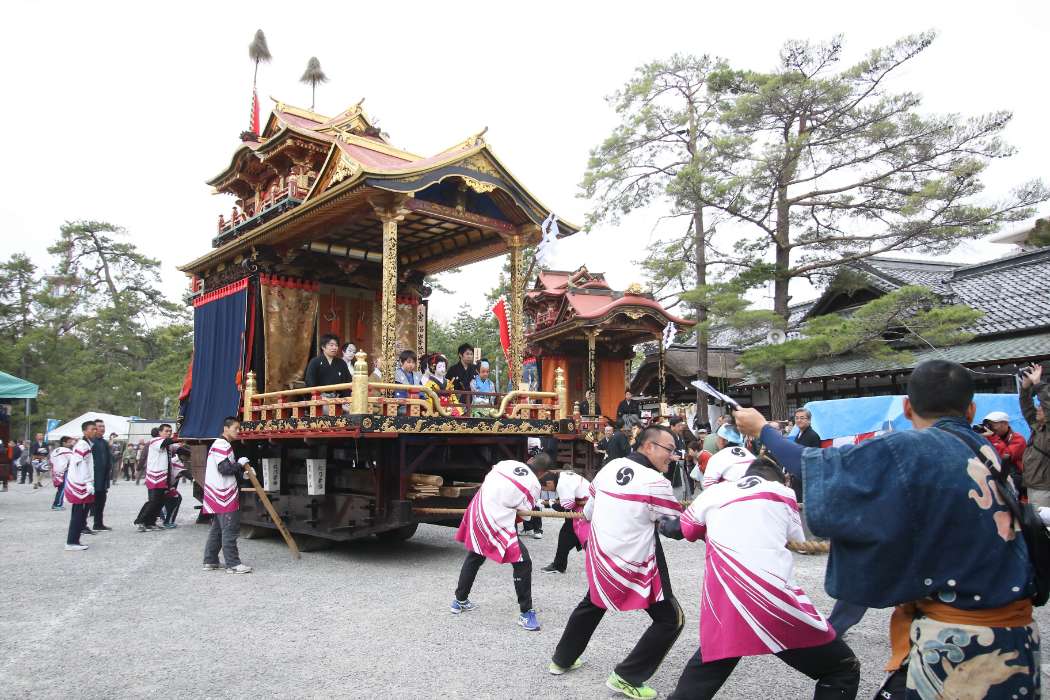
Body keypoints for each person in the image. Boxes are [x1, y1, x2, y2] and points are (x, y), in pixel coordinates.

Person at [733, 359, 1038, 697]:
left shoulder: (911, 447)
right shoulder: (983, 449)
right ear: (971, 410)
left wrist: (763, 430)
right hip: (1017, 634)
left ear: (907, 408)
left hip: (961, 642)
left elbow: (814, 466)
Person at [661, 456, 859, 699]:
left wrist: (664, 522)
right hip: (774, 601)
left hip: (727, 602)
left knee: (707, 671)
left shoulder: (714, 493)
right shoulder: (782, 492)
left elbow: (681, 530)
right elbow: (797, 541)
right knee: (841, 668)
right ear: (781, 478)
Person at [548, 426, 684, 699]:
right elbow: (674, 525)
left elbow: (587, 511)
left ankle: (562, 659)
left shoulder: (609, 468)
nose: (673, 456)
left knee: (594, 603)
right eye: (670, 450)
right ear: (649, 447)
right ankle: (627, 676)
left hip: (602, 556)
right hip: (637, 560)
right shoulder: (657, 483)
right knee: (671, 620)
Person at [451, 459, 542, 631]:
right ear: (543, 472)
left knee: (475, 554)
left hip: (478, 508)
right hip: (496, 518)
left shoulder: (506, 463)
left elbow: (489, 479)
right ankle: (526, 612)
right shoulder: (534, 484)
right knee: (523, 561)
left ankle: (459, 601)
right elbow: (525, 515)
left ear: (529, 460)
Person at [202, 417, 253, 573]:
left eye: (239, 429)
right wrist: (239, 464)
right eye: (235, 428)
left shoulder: (220, 445)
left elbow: (226, 470)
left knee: (217, 529)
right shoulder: (222, 445)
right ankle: (233, 564)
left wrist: (241, 474)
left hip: (216, 492)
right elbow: (224, 469)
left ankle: (210, 561)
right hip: (224, 494)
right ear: (226, 428)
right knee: (230, 529)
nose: (238, 431)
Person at [541, 468, 591, 574]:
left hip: (587, 507)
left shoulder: (562, 484)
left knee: (586, 538)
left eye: (545, 488)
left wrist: (550, 503)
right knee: (566, 535)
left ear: (549, 482)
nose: (547, 491)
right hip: (583, 504)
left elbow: (567, 506)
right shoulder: (562, 476)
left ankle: (559, 565)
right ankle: (559, 565)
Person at [135, 424, 179, 532]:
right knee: (153, 501)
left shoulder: (167, 445)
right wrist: (178, 436)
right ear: (159, 432)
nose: (168, 433)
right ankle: (140, 521)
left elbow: (177, 448)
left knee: (160, 501)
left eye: (170, 431)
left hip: (163, 477)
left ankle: (151, 522)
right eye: (166, 431)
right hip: (154, 477)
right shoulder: (155, 441)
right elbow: (167, 442)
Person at [64, 421, 97, 551]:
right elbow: (82, 464)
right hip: (80, 485)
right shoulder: (83, 445)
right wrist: (88, 482)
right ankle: (72, 541)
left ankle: (74, 539)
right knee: (79, 514)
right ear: (85, 431)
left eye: (95, 429)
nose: (95, 431)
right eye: (92, 429)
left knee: (80, 514)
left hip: (81, 483)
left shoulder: (85, 444)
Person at [1020, 364, 1050, 506]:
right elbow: (1027, 407)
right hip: (1034, 485)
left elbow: (1047, 405)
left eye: (1041, 407)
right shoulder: (1038, 428)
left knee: (1043, 526)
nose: (1038, 409)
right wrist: (1025, 387)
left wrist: (1038, 383)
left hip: (1044, 488)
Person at [699, 423, 754, 489]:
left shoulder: (718, 458)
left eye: (717, 438)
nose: (716, 441)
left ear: (722, 440)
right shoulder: (749, 455)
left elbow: (707, 486)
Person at [982, 410, 1026, 487]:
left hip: (1014, 478)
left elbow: (1005, 456)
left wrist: (993, 438)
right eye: (989, 424)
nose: (991, 427)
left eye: (994, 424)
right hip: (994, 474)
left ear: (1005, 423)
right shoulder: (989, 437)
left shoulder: (1018, 439)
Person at [89, 419, 113, 531]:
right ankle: (82, 526)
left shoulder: (104, 442)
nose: (102, 428)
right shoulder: (90, 442)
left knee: (101, 502)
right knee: (89, 502)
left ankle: (98, 523)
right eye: (99, 426)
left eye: (103, 426)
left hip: (103, 478)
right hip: (93, 478)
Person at [161, 451, 190, 528]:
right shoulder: (176, 462)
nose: (189, 458)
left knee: (168, 499)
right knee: (176, 498)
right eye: (188, 456)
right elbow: (188, 474)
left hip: (165, 484)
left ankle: (163, 515)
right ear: (182, 455)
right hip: (165, 485)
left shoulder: (174, 460)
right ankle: (168, 521)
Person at [50, 436, 75, 510]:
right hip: (63, 471)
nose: (71, 444)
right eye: (69, 442)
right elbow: (74, 459)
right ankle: (58, 504)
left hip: (56, 471)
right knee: (63, 489)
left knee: (60, 488)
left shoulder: (55, 450)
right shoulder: (66, 450)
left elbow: (51, 460)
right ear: (64, 443)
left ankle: (56, 503)